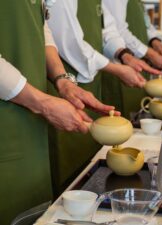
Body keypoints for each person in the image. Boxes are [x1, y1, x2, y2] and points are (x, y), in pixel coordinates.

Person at [0, 1, 115, 224]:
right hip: (8, 121)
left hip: (30, 120)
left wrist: (63, 81)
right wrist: (42, 102)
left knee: (34, 209)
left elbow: (41, 24)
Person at [47, 0, 162, 195]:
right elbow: (69, 42)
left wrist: (125, 56)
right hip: (64, 83)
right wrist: (115, 67)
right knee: (68, 167)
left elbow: (108, 29)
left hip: (90, 81)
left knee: (90, 158)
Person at [103, 0, 162, 118]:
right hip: (120, 63)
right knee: (120, 117)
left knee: (138, 111)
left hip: (136, 62)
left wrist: (154, 41)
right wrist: (149, 53)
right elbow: (117, 29)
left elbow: (145, 20)